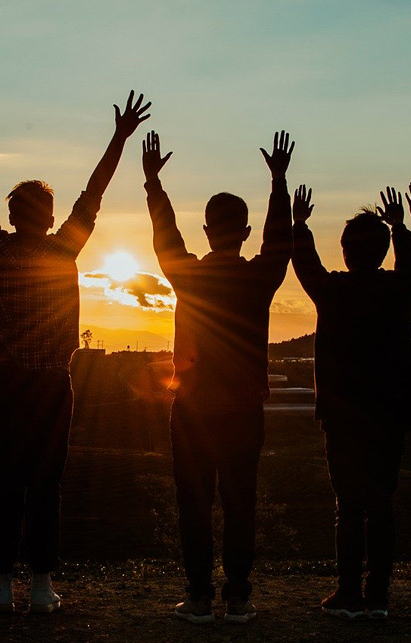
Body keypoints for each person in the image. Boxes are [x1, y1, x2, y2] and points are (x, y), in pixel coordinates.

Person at [0, 84, 151, 613]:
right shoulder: (62, 249)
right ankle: (42, 585)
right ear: (50, 218)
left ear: (11, 216)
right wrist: (119, 138)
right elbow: (94, 193)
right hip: (53, 384)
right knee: (46, 485)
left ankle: (1, 584)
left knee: (4, 484)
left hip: (5, 383)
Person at [141, 130, 294, 624]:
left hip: (191, 409)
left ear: (206, 231)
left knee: (195, 505)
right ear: (245, 232)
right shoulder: (259, 277)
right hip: (245, 409)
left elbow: (166, 237)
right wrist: (278, 183)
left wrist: (154, 185)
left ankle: (199, 597)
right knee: (240, 503)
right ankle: (239, 598)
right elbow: (280, 242)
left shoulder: (188, 275)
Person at [291, 185, 411, 621]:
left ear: (346, 251)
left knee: (348, 506)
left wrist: (299, 224)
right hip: (390, 414)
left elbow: (305, 264)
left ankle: (348, 593)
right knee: (381, 503)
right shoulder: (400, 289)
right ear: (384, 251)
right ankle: (378, 597)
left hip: (343, 415)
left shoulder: (333, 290)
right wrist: (401, 228)